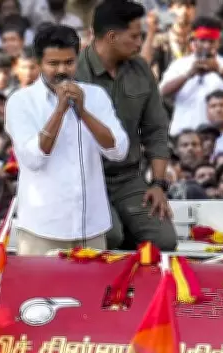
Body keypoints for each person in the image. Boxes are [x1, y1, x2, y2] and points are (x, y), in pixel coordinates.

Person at [5, 24, 128, 255]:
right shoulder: (20, 102)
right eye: (53, 63)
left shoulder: (95, 96)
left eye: (69, 62)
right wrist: (60, 111)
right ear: (39, 63)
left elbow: (118, 150)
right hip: (42, 230)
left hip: (91, 228)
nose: (62, 70)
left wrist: (84, 112)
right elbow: (33, 159)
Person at [75, 0, 177, 251]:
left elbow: (156, 129)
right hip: (84, 180)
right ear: (111, 36)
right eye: (134, 36)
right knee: (110, 237)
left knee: (164, 241)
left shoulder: (141, 69)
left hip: (129, 179)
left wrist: (158, 184)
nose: (140, 42)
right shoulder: (75, 71)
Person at [159, 16, 223, 137]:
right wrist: (188, 74)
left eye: (211, 41)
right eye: (203, 40)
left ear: (219, 42)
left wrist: (219, 70)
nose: (207, 45)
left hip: (219, 136)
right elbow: (163, 92)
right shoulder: (180, 64)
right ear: (194, 41)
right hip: (184, 134)